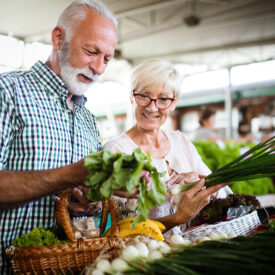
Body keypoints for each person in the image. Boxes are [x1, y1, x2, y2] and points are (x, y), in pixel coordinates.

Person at [0, 0, 123, 272]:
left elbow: (89, 217)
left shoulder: (89, 121)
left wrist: (87, 207)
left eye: (107, 58)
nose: (99, 68)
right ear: (58, 38)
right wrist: (70, 175)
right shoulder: (7, 92)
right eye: (91, 51)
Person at [103, 59, 232, 235]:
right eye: (143, 96)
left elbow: (222, 193)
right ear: (131, 96)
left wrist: (198, 183)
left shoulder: (181, 142)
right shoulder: (116, 150)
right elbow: (121, 228)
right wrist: (177, 218)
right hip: (146, 256)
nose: (152, 107)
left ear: (173, 103)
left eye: (163, 99)